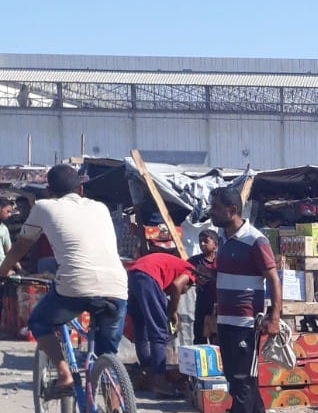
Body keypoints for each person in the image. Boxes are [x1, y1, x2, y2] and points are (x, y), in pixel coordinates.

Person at [0, 164, 128, 396]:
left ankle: (65, 375)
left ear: (49, 191)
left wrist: (3, 271)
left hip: (75, 285)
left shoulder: (44, 206)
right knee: (107, 356)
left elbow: (21, 246)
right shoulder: (100, 208)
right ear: (80, 189)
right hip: (117, 286)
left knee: (39, 321)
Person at [207, 186, 282, 413]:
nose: (211, 213)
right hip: (227, 320)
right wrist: (215, 313)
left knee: (241, 376)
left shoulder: (255, 240)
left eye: (215, 208)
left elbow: (273, 278)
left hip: (247, 322)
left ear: (232, 210)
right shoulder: (224, 240)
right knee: (237, 375)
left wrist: (274, 316)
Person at [126, 250, 196, 395]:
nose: (175, 295)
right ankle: (159, 381)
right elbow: (177, 286)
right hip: (148, 276)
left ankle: (146, 371)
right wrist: (172, 312)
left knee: (141, 327)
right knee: (159, 332)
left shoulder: (173, 266)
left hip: (133, 273)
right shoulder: (191, 271)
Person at [188, 229, 220, 345]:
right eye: (200, 241)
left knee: (217, 337)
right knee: (199, 334)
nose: (202, 244)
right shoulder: (195, 261)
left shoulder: (222, 261)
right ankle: (199, 362)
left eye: (205, 241)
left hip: (220, 305)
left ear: (215, 245)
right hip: (202, 303)